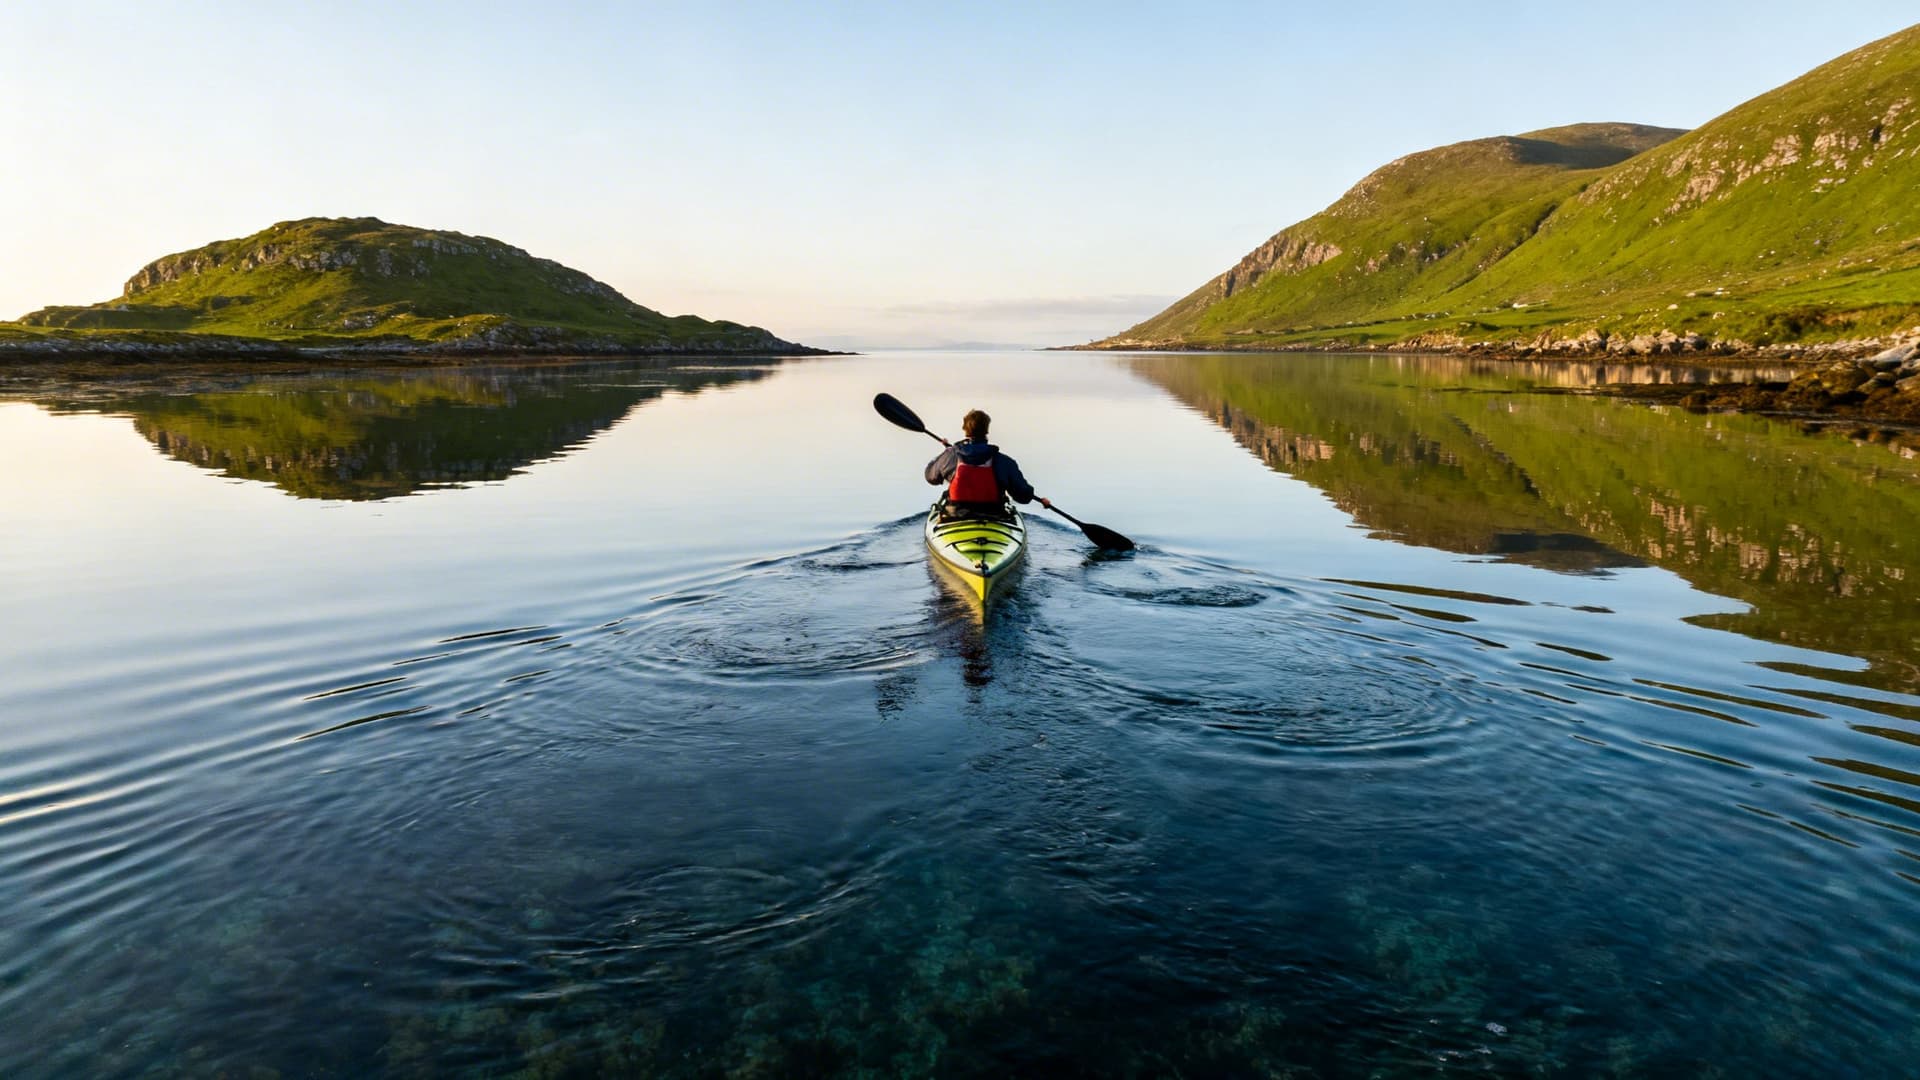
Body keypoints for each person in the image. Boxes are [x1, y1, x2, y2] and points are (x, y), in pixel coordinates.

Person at [925, 408, 1050, 517]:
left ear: (965, 429)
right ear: (987, 430)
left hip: (956, 514)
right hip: (994, 514)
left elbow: (931, 477)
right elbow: (1023, 496)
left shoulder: (950, 456)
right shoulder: (1003, 461)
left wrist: (945, 453)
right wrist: (1041, 500)